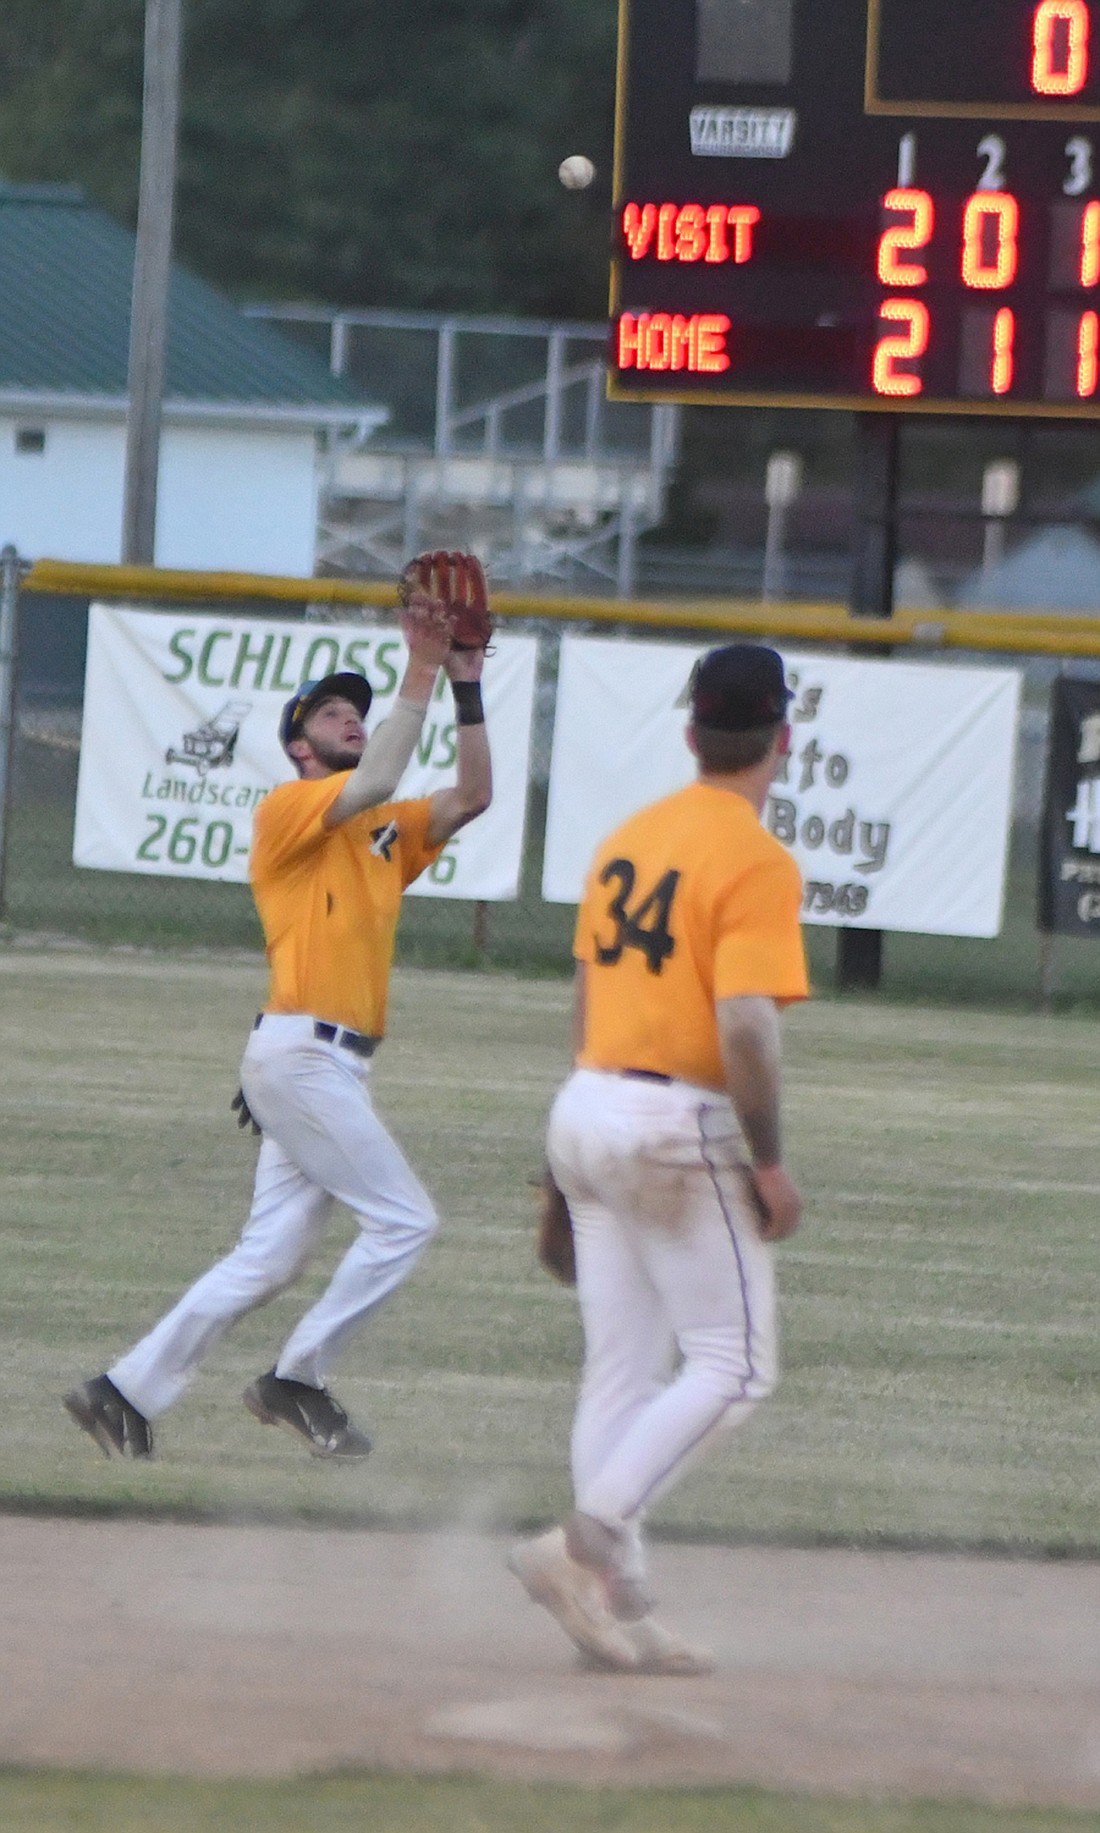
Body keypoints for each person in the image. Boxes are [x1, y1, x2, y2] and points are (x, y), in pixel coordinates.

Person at [64, 578, 492, 1461]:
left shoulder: (382, 830)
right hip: (303, 1056)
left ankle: (122, 1391)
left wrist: (465, 681)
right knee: (405, 1220)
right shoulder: (288, 810)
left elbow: (473, 795)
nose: (350, 718)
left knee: (268, 1260)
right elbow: (379, 770)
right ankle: (297, 1377)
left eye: (356, 709)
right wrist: (417, 665)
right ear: (299, 745)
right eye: (332, 713)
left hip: (315, 1061)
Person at [509, 642, 809, 1674]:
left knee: (622, 1371)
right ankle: (578, 1546)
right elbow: (745, 1029)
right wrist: (767, 1160)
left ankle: (618, 1608)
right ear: (781, 737)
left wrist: (565, 1158)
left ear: (689, 734)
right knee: (733, 1368)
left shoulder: (628, 838)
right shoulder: (755, 859)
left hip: (586, 1101)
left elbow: (588, 998)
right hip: (672, 1129)